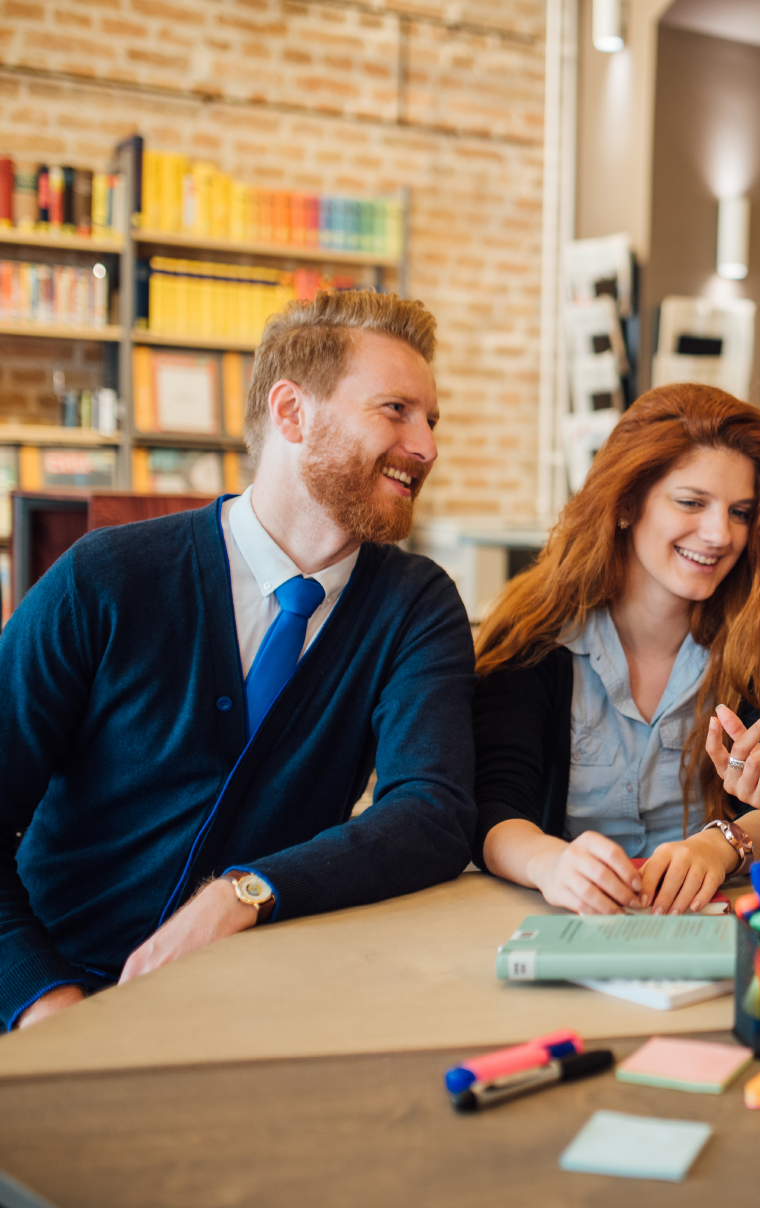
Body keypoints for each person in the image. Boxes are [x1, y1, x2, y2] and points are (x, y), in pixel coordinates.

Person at [0, 289, 479, 1032]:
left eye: (431, 420)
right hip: (57, 993)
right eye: (395, 411)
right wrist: (43, 1003)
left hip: (254, 1007)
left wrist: (246, 892)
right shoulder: (105, 579)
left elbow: (432, 811)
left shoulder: (415, 607)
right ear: (291, 413)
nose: (426, 447)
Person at [470, 384, 760, 916]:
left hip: (725, 927)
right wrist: (550, 864)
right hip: (568, 923)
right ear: (626, 503)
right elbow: (494, 807)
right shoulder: (535, 638)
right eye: (691, 502)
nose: (719, 534)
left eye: (740, 512)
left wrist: (722, 845)